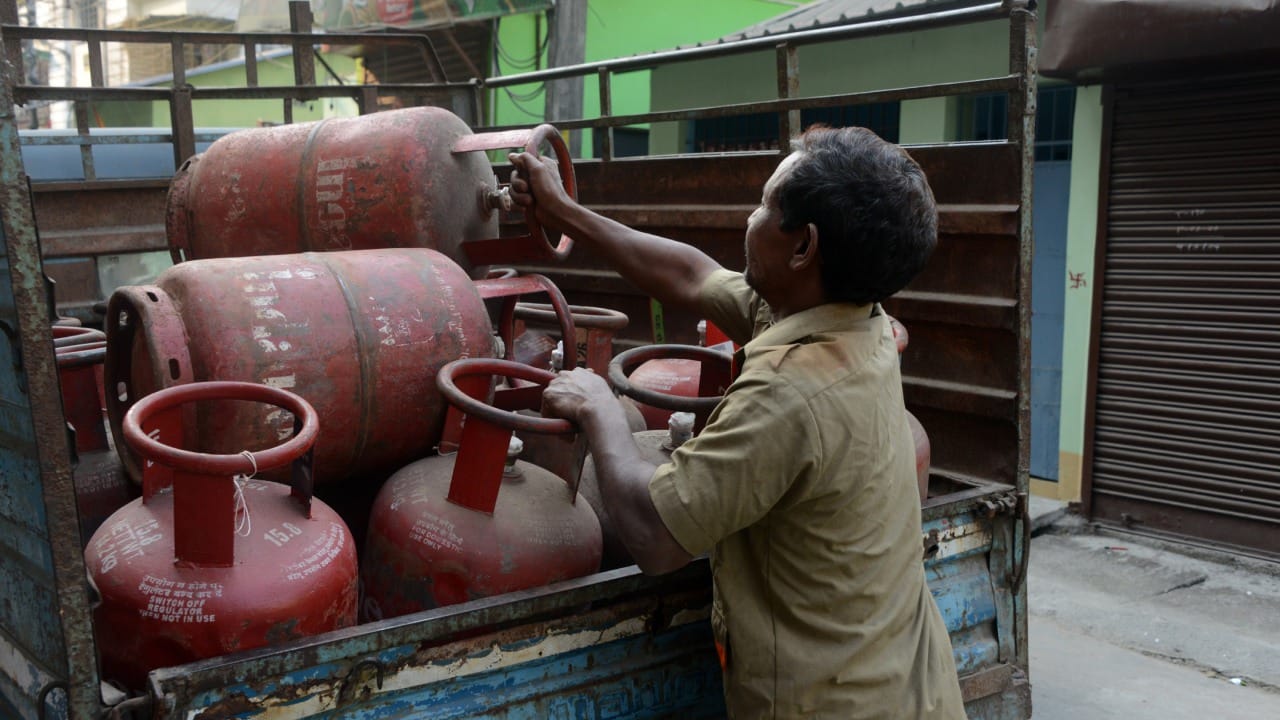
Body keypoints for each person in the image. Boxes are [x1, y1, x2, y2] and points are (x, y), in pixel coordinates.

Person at [508, 126, 965, 720]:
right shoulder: (855, 316)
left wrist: (600, 411)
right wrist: (565, 213)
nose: (749, 218)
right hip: (910, 688)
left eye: (764, 205)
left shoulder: (789, 390)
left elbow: (654, 537)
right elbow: (691, 277)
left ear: (803, 247)